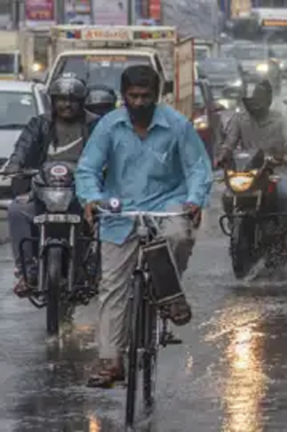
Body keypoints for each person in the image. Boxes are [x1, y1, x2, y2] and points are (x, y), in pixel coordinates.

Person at [75, 65, 212, 387]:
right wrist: (91, 199)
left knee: (178, 233)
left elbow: (197, 168)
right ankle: (110, 360)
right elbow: (88, 169)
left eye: (145, 96)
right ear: (124, 97)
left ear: (157, 96)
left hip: (167, 204)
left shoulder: (177, 126)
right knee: (112, 287)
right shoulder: (109, 126)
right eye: (132, 96)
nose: (138, 102)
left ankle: (168, 291)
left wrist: (194, 200)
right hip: (119, 210)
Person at [5, 74, 100, 297]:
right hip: (42, 189)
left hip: (84, 192)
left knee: (109, 216)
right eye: (61, 99)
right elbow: (23, 147)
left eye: (73, 99)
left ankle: (97, 270)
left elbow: (107, 153)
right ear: (52, 101)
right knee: (17, 211)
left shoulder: (96, 125)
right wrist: (15, 164)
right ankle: (27, 271)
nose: (67, 104)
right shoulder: (39, 123)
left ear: (82, 101)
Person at [215, 79, 287, 247]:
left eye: (260, 102)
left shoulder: (280, 119)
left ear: (268, 102)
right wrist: (222, 155)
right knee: (227, 195)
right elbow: (229, 143)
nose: (256, 108)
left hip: (275, 170)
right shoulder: (240, 120)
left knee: (283, 193)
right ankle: (234, 225)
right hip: (247, 172)